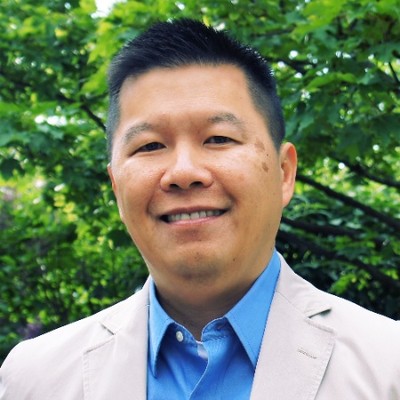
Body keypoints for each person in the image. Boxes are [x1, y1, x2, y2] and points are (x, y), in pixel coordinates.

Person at [0, 18, 399, 400]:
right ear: (117, 187)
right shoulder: (34, 380)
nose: (184, 172)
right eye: (150, 145)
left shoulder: (387, 367)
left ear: (283, 174)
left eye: (219, 138)